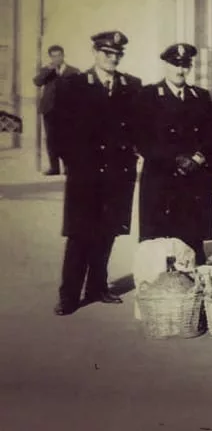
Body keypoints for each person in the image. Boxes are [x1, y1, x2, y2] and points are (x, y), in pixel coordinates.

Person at [50, 31, 141, 315]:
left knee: (108, 231)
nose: (112, 59)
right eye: (107, 54)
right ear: (95, 53)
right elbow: (57, 131)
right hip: (85, 174)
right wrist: (73, 163)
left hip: (116, 174)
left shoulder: (130, 85)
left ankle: (98, 287)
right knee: (80, 234)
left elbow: (138, 126)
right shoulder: (73, 85)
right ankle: (69, 295)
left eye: (117, 55)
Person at [136, 43, 212, 265]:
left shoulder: (200, 96)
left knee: (193, 242)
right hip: (161, 179)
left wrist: (197, 158)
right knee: (161, 246)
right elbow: (142, 138)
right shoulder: (149, 95)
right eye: (175, 65)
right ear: (166, 65)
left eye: (185, 65)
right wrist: (173, 159)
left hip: (193, 179)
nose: (180, 71)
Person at [33, 45, 80, 175]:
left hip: (67, 111)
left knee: (67, 138)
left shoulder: (73, 71)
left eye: (59, 55)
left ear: (63, 55)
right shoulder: (47, 70)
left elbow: (79, 91)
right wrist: (48, 70)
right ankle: (54, 167)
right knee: (51, 139)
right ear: (50, 57)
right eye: (53, 56)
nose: (56, 59)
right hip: (49, 110)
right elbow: (37, 82)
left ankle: (68, 167)